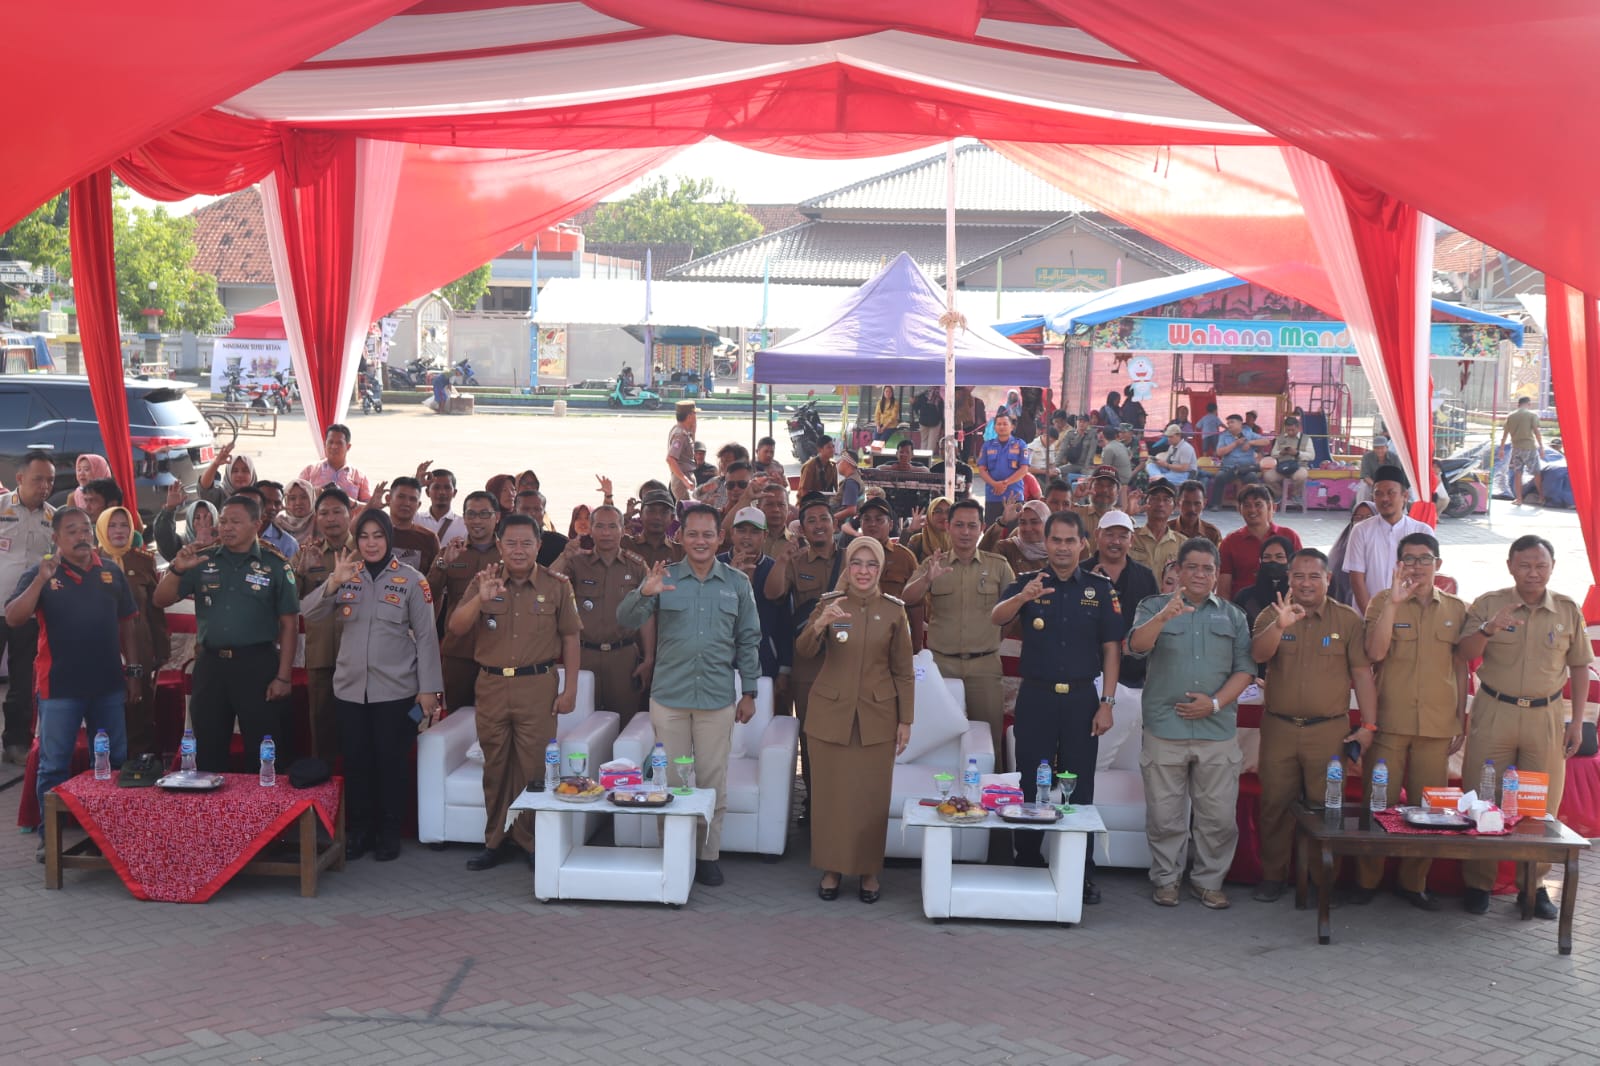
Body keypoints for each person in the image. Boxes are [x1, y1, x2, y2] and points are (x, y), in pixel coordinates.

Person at [618, 505, 761, 887]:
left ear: (720, 539)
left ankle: (708, 855)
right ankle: (675, 852)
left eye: (707, 535)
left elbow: (749, 640)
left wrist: (749, 691)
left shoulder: (736, 584)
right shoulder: (664, 578)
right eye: (692, 534)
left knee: (714, 779)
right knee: (673, 779)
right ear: (680, 537)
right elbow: (627, 620)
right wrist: (643, 593)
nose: (700, 541)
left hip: (716, 699)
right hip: (670, 699)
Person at [1454, 535, 1592, 919]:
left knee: (1540, 806)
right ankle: (1478, 883)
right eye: (1525, 565)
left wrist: (1576, 722)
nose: (1533, 572)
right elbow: (1464, 654)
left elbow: (1580, 667)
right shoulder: (1489, 604)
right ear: (1510, 565)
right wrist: (1487, 629)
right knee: (1482, 797)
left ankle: (1532, 887)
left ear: (1551, 567)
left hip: (1545, 717)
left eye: (1541, 565)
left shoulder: (1566, 610)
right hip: (1495, 710)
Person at [301, 509, 443, 862]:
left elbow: (426, 638)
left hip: (395, 691)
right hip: (350, 690)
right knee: (356, 762)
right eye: (363, 536)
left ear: (388, 539)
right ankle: (359, 831)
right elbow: (308, 613)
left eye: (378, 536)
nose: (371, 543)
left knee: (390, 763)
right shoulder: (347, 574)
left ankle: (389, 831)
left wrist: (429, 690)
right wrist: (333, 583)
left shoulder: (412, 580)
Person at [993, 511, 1121, 894]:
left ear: (1084, 544)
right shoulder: (1027, 583)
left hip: (1083, 699)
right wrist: (1022, 597)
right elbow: (995, 619)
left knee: (1079, 788)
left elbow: (1112, 648)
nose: (1063, 548)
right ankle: (1028, 863)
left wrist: (1108, 702)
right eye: (1056, 540)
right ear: (1045, 544)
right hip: (1036, 697)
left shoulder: (1100, 590)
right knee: (1032, 784)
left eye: (1070, 541)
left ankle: (1079, 873)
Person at [1126, 537, 1255, 909]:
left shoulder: (1232, 615)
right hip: (1165, 729)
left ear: (1216, 575)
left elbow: (1245, 669)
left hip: (1216, 731)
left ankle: (1208, 882)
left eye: (1207, 568)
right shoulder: (1152, 606)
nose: (1200, 574)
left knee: (1217, 817)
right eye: (1192, 567)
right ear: (1178, 570)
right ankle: (1166, 881)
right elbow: (1135, 646)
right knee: (1165, 816)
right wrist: (1166, 615)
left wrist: (1214, 704)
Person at [446, 513, 580, 870]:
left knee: (534, 768)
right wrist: (479, 599)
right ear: (499, 545)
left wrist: (571, 690)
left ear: (539, 545)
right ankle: (495, 841)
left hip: (537, 686)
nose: (518, 550)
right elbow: (456, 627)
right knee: (496, 767)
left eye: (527, 543)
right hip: (491, 685)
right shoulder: (485, 581)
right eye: (511, 543)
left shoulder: (556, 585)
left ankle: (530, 842)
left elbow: (570, 636)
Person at [1246, 549, 1377, 904]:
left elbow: (1362, 674)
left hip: (1328, 731)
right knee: (1274, 805)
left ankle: (1323, 881)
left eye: (1314, 576)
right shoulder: (1271, 615)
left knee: (1325, 809)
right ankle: (1273, 877)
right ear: (1289, 579)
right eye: (1298, 576)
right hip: (1280, 729)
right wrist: (1279, 625)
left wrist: (1368, 725)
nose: (1306, 583)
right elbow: (1258, 655)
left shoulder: (1347, 620)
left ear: (1328, 579)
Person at [6, 508, 138, 858]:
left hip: (108, 685)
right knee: (54, 765)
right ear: (56, 539)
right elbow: (14, 617)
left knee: (113, 761)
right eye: (72, 531)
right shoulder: (41, 573)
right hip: (60, 688)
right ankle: (50, 840)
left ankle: (111, 837)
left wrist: (134, 670)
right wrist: (40, 581)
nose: (82, 536)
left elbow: (128, 622)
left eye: (85, 529)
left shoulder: (110, 571)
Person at [1352, 532, 1468, 910]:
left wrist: (1460, 717)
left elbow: (1462, 666)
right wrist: (1393, 605)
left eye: (1424, 559)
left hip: (1436, 727)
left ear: (1439, 564)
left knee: (1429, 810)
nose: (1417, 566)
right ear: (1397, 564)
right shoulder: (1382, 603)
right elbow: (1374, 652)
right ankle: (1367, 881)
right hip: (1389, 724)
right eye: (1409, 559)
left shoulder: (1455, 608)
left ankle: (1412, 882)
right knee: (1378, 804)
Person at [798, 535, 913, 903]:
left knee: (870, 798)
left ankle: (868, 872)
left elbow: (904, 671)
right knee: (830, 796)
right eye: (857, 563)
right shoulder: (830, 604)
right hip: (830, 714)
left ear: (880, 569)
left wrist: (905, 720)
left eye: (872, 564)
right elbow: (803, 650)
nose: (864, 571)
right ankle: (831, 869)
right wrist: (819, 625)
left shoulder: (894, 610)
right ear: (847, 568)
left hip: (877, 716)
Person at [153, 495, 299, 772]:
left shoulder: (276, 565)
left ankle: (264, 811)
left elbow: (289, 625)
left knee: (264, 749)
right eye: (224, 521)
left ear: (256, 524)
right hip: (211, 665)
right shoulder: (203, 560)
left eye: (235, 521)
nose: (227, 527)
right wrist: (176, 569)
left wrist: (283, 677)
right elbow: (160, 600)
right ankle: (212, 813)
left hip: (257, 665)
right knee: (208, 747)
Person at [902, 498, 1015, 757]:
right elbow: (907, 599)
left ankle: (987, 792)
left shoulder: (997, 565)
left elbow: (1013, 612)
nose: (965, 532)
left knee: (988, 742)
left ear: (982, 528)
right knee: (939, 740)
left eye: (972, 526)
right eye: (959, 525)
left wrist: (994, 640)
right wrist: (927, 579)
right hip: (943, 666)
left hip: (984, 667)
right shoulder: (934, 563)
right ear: (948, 527)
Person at [764, 494, 840, 812]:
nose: (819, 524)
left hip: (845, 661)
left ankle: (840, 799)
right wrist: (782, 560)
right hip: (808, 664)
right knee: (809, 736)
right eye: (812, 520)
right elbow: (773, 593)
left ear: (834, 523)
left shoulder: (853, 559)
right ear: (803, 528)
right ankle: (815, 800)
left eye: (824, 518)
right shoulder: (796, 563)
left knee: (842, 734)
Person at [549, 504, 653, 725]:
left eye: (612, 526)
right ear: (591, 530)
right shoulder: (577, 562)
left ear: (622, 530)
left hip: (623, 657)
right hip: (584, 655)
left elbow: (646, 615)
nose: (606, 533)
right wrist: (564, 556)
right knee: (579, 722)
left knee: (625, 723)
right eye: (600, 526)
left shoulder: (636, 566)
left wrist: (649, 658)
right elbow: (547, 587)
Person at [95, 505, 168, 759]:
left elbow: (155, 609)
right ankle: (109, 764)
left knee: (139, 705)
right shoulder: (90, 560)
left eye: (124, 525)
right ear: (102, 528)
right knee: (105, 705)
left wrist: (161, 650)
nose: (118, 531)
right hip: (102, 647)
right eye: (112, 525)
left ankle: (140, 763)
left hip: (140, 644)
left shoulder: (143, 560)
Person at [0, 451, 56, 764]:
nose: (45, 485)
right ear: (20, 479)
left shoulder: (54, 518)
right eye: (38, 479)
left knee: (23, 681)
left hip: (28, 613)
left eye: (49, 479)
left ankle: (16, 743)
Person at [427, 490, 501, 712]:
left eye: (484, 514)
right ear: (464, 517)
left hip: (497, 651)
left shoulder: (508, 554)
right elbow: (427, 595)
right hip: (459, 653)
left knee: (495, 717)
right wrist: (442, 565)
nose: (477, 520)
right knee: (456, 719)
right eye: (471, 514)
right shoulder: (450, 552)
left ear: (496, 516)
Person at [719, 506, 792, 704]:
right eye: (741, 530)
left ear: (765, 535)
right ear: (732, 533)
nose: (747, 537)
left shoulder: (774, 568)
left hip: (764, 660)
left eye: (754, 531)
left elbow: (785, 624)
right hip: (719, 661)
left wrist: (785, 669)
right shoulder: (714, 567)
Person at [1341, 466, 1431, 615]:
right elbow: (1357, 579)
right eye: (1379, 493)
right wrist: (1371, 618)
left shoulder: (1422, 531)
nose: (1384, 499)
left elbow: (1426, 578)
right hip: (1367, 614)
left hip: (1410, 616)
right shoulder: (1361, 530)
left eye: (1391, 493)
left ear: (1405, 496)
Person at [1084, 510, 1158, 689]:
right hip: (1086, 673)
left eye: (1123, 536)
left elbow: (1154, 625)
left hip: (1133, 675)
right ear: (1097, 535)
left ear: (1131, 541)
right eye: (1109, 535)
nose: (1115, 542)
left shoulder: (1145, 576)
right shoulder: (1080, 574)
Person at [1217, 485, 1302, 598]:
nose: (1252, 510)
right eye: (1247, 505)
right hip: (1242, 607)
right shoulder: (1230, 542)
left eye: (1258, 505)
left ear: (1269, 507)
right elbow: (1223, 586)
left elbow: (1301, 573)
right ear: (1239, 510)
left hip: (1284, 604)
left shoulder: (1289, 536)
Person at [856, 497, 918, 599]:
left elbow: (917, 601)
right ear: (861, 524)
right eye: (867, 519)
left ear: (890, 525)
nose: (872, 524)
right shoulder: (852, 556)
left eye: (879, 519)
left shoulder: (904, 557)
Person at [1231, 535, 1294, 632]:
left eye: (1279, 557)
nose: (1273, 561)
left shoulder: (1297, 595)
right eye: (1267, 557)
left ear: (1290, 561)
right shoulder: (1245, 597)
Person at [380, 476, 440, 574]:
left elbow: (438, 571)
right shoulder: (374, 532)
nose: (407, 503)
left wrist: (445, 563)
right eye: (401, 497)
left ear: (418, 505)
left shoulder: (429, 538)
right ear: (388, 499)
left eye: (412, 499)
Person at [976, 411, 1028, 523]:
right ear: (994, 427)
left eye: (1005, 424)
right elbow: (981, 469)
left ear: (1012, 427)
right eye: (998, 424)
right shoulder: (987, 446)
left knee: (1014, 532)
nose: (1002, 427)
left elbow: (1024, 469)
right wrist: (995, 484)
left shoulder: (1020, 445)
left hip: (1014, 496)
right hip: (993, 495)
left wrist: (1004, 483)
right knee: (991, 529)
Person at [298, 424, 371, 503]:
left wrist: (350, 502)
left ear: (348, 447)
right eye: (330, 442)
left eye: (339, 443)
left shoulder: (359, 476)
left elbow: (368, 507)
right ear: (324, 444)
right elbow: (297, 499)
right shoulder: (310, 471)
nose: (334, 446)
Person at [1207, 414, 1265, 510]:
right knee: (1219, 477)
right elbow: (1219, 452)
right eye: (1228, 423)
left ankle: (1258, 504)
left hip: (1246, 468)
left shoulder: (1249, 433)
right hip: (1229, 468)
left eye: (1232, 422)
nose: (1229, 425)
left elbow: (1266, 441)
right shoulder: (1224, 436)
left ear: (1240, 423)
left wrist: (1250, 443)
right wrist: (1235, 444)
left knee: (1253, 478)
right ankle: (1216, 504)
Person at [1130, 478, 1182, 580]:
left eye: (1166, 499)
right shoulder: (1130, 537)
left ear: (1174, 507)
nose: (1160, 504)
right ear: (1146, 503)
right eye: (1154, 498)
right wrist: (1127, 514)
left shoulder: (1182, 543)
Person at [1327, 500, 1375, 605]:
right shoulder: (1340, 550)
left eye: (1368, 517)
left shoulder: (1383, 548)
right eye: (1358, 518)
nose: (1363, 522)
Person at [1262, 414, 1315, 509]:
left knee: (1301, 475)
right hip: (1282, 467)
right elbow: (1273, 454)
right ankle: (1279, 494)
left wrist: (1297, 453)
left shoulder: (1307, 439)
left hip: (1299, 466)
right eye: (1288, 430)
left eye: (1292, 430)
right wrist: (1281, 453)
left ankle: (1295, 494)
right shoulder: (1280, 438)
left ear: (1298, 428)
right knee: (1267, 476)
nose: (1290, 432)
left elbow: (1311, 456)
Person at [623, 488, 685, 568]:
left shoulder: (680, 553)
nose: (657, 517)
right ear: (641, 514)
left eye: (664, 512)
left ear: (672, 518)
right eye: (651, 511)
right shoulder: (625, 544)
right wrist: (622, 520)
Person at [1500, 395, 1545, 504]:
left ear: (1518, 404)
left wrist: (1501, 449)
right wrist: (1541, 447)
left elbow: (1505, 434)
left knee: (1518, 474)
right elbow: (1536, 432)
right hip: (1529, 448)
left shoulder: (1511, 416)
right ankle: (1541, 498)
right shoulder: (1532, 415)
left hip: (1516, 449)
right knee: (1536, 473)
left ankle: (1519, 499)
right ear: (1529, 404)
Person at [992, 499, 1049, 571]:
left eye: (1034, 522)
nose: (1028, 528)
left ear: (1047, 524)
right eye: (1023, 522)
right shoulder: (1008, 547)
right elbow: (983, 553)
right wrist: (1002, 522)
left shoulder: (1057, 549)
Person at [515, 491, 568, 566]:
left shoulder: (561, 544)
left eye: (537, 509)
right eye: (525, 509)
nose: (531, 513)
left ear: (544, 513)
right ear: (515, 511)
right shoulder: (504, 542)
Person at [252, 480, 300, 559]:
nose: (272, 507)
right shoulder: (235, 534)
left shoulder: (288, 543)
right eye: (266, 501)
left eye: (277, 503)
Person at [415, 467, 461, 542]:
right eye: (436, 487)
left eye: (447, 487)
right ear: (427, 492)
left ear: (454, 493)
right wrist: (417, 484)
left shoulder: (463, 524)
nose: (442, 492)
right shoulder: (416, 519)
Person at [666, 400, 697, 501]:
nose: (696, 417)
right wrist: (685, 480)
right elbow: (670, 459)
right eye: (694, 414)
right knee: (686, 511)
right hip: (682, 479)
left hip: (683, 476)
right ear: (689, 416)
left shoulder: (682, 431)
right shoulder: (680, 435)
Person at [1173, 479, 1221, 546]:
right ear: (1178, 502)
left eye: (1197, 503)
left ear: (1204, 503)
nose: (1192, 509)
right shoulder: (1166, 530)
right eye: (1187, 503)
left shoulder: (1212, 533)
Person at [905, 496, 951, 563]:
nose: (944, 516)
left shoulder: (961, 541)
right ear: (929, 515)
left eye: (948, 512)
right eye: (938, 511)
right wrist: (909, 530)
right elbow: (900, 559)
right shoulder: (917, 541)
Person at [276, 477, 317, 544]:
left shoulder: (319, 522)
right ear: (286, 501)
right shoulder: (278, 523)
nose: (298, 502)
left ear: (312, 499)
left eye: (304, 497)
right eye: (292, 498)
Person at [1354, 437, 1393, 506]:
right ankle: (1361, 508)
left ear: (1387, 448)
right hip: (1371, 483)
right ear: (1373, 449)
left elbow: (1397, 475)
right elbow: (1365, 476)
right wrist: (1376, 486)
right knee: (1363, 487)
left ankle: (1401, 513)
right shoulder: (1367, 457)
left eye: (1382, 448)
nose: (1379, 450)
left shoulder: (1394, 458)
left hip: (1389, 483)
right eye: (1377, 448)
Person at [912, 387, 943, 452]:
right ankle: (929, 459)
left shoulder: (922, 395)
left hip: (923, 421)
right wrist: (942, 424)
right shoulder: (940, 397)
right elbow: (941, 412)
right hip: (935, 422)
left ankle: (923, 459)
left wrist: (913, 403)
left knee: (924, 441)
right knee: (932, 443)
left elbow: (916, 407)